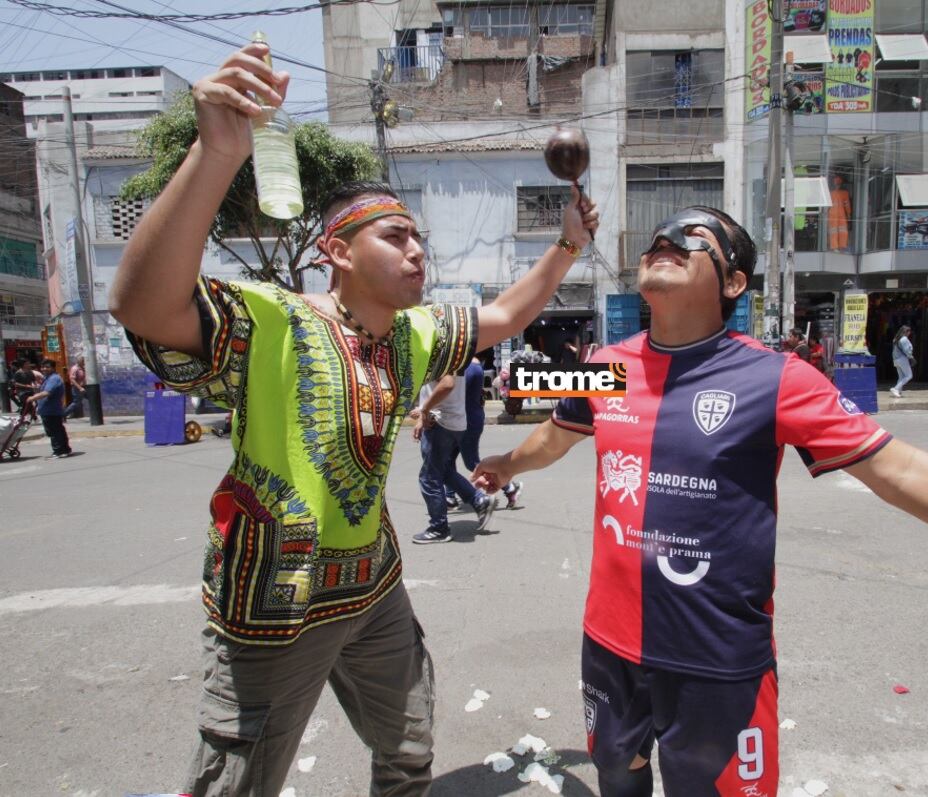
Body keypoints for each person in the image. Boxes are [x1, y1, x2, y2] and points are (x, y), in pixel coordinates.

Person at [472, 205, 928, 797]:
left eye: (694, 237)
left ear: (734, 282)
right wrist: (505, 463)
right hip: (609, 644)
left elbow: (905, 473)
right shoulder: (605, 364)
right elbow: (559, 432)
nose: (666, 240)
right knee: (618, 777)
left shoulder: (777, 379)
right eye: (660, 236)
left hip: (717, 662)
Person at [106, 42, 598, 797]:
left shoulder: (413, 332)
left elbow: (504, 315)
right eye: (395, 237)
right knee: (238, 778)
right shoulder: (272, 319)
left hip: (372, 584)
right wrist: (216, 154)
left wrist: (566, 244)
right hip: (276, 601)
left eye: (418, 238)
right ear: (335, 251)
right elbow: (141, 305)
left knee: (408, 746)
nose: (417, 251)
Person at [410, 371, 500, 544]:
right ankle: (479, 500)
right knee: (443, 471)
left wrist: (424, 410)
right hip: (451, 421)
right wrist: (423, 415)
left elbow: (447, 384)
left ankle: (439, 528)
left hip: (440, 422)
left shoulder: (441, 356)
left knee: (429, 477)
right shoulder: (457, 358)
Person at [445, 356, 522, 511]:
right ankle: (450, 496)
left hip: (467, 421)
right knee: (447, 458)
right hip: (462, 419)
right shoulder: (470, 365)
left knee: (472, 463)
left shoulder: (469, 367)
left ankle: (510, 488)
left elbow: (454, 392)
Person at [24, 360, 71, 458]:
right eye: (43, 367)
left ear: (53, 368)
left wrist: (32, 398)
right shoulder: (48, 378)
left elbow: (47, 392)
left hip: (51, 409)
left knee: (54, 431)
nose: (44, 369)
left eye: (47, 367)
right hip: (47, 409)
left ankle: (58, 451)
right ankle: (65, 449)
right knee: (58, 430)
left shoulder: (54, 378)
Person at [890, 324, 914, 398]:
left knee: (901, 377)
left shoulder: (896, 339)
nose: (909, 333)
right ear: (906, 332)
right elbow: (907, 350)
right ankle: (896, 389)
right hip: (902, 359)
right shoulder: (904, 339)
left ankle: (898, 391)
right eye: (909, 331)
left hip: (896, 359)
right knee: (909, 375)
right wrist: (911, 357)